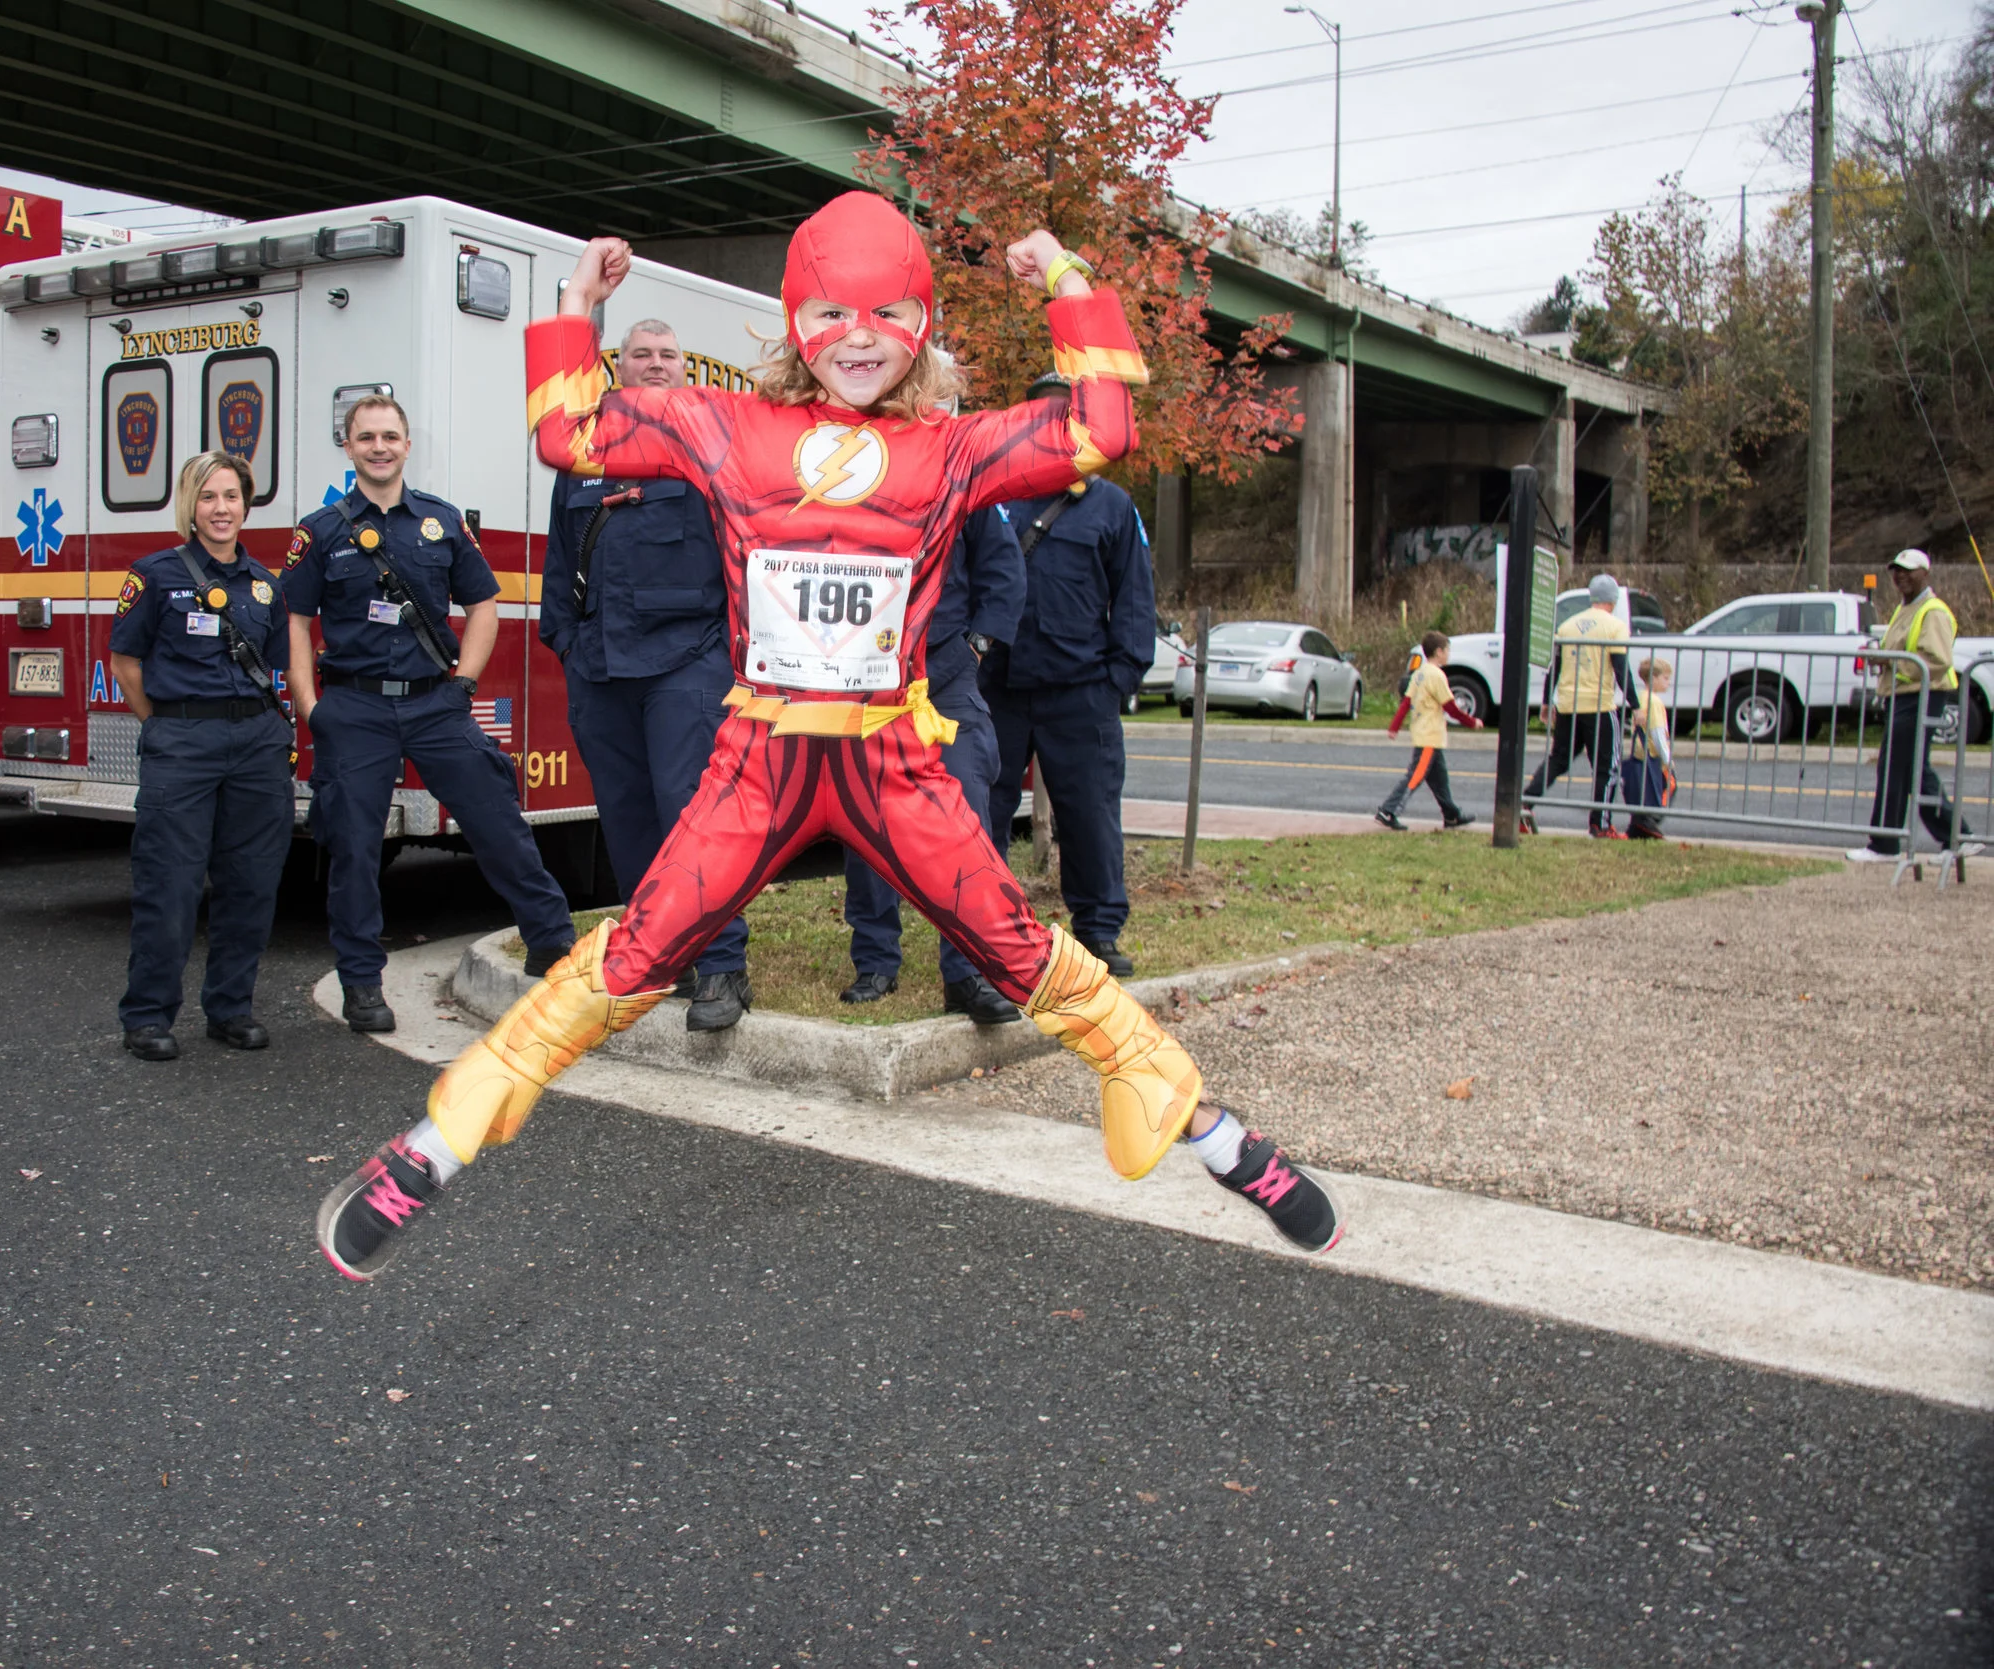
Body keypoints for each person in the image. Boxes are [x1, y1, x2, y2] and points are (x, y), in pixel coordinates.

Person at [315, 191, 1343, 1280]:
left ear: (924, 323)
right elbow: (569, 434)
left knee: (1009, 940)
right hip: (759, 757)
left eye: (891, 312)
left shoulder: (951, 451)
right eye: (834, 313)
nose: (860, 337)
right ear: (795, 317)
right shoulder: (722, 426)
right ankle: (442, 1137)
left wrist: (1068, 279)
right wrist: (574, 304)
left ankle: (1204, 1129)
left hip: (893, 758)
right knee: (642, 945)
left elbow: (1101, 426)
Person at [285, 394, 576, 1031]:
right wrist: (312, 709)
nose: (380, 446)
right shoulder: (321, 530)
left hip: (434, 704)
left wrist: (462, 685)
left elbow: (484, 608)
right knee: (354, 848)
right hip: (355, 706)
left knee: (496, 819)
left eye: (391, 435)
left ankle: (552, 943)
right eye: (367, 437)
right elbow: (297, 622)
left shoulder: (440, 523)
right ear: (349, 447)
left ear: (408, 445)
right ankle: (361, 982)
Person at [541, 319, 750, 1032]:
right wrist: (567, 645)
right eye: (643, 355)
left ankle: (722, 964)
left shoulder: (711, 450)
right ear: (618, 368)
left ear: (682, 370)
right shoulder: (584, 452)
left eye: (669, 354)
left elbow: (744, 556)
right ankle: (659, 960)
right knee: (627, 820)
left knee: (693, 813)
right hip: (601, 667)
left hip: (687, 664)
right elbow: (558, 562)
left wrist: (729, 654)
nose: (656, 364)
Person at [106, 451, 295, 1060]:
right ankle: (147, 1016)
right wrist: (163, 727)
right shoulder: (154, 575)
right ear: (191, 506)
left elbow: (274, 666)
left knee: (251, 883)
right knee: (171, 883)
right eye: (209, 497)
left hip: (256, 744)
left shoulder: (266, 586)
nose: (222, 509)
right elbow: (126, 664)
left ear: (247, 503)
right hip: (183, 743)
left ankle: (230, 1009)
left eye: (232, 497)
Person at [981, 374, 1157, 977]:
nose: (1051, 425)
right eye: (1040, 416)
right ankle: (992, 931)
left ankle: (1098, 932)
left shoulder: (1111, 505)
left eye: (1064, 415)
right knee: (985, 812)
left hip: (1082, 692)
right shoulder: (992, 495)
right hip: (996, 690)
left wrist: (1118, 681)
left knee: (1090, 816)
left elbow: (1135, 602)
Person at [838, 501, 1026, 1023]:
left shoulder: (959, 473)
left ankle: (969, 972)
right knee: (866, 818)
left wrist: (977, 647)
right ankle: (875, 961)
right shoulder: (856, 472)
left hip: (946, 671)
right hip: (866, 675)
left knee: (965, 817)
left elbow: (1003, 572)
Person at [1849, 548, 1979, 863]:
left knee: (1895, 767)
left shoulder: (1932, 610)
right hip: (1904, 695)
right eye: (1895, 570)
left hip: (1922, 694)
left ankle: (1885, 845)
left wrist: (1891, 662)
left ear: (1925, 573)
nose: (1900, 575)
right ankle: (1956, 837)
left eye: (1907, 569)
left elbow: (1936, 659)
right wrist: (1883, 659)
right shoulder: (1905, 608)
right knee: (1913, 770)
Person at [1522, 572, 1634, 838]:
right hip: (1600, 706)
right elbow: (1621, 670)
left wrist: (1547, 701)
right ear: (1613, 600)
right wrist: (1636, 704)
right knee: (1607, 767)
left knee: (1558, 760)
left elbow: (1556, 666)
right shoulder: (1615, 627)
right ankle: (1600, 823)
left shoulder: (1568, 625)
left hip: (1568, 705)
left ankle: (1523, 806)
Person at [1373, 631, 1481, 831]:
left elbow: (1406, 702)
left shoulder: (1420, 673)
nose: (1448, 654)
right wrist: (1471, 722)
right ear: (1439, 652)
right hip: (1429, 737)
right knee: (1415, 776)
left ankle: (1451, 816)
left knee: (1440, 779)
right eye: (1447, 650)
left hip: (1426, 734)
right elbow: (1450, 708)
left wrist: (1394, 726)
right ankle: (1388, 811)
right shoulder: (1437, 676)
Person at [1622, 657, 1675, 840]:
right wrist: (1667, 759)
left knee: (1642, 792)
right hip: (1651, 754)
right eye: (1666, 678)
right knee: (1666, 788)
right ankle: (1648, 823)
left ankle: (1638, 826)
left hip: (1639, 751)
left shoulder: (1641, 697)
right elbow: (1658, 732)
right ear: (1653, 678)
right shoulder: (1654, 702)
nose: (1668, 683)